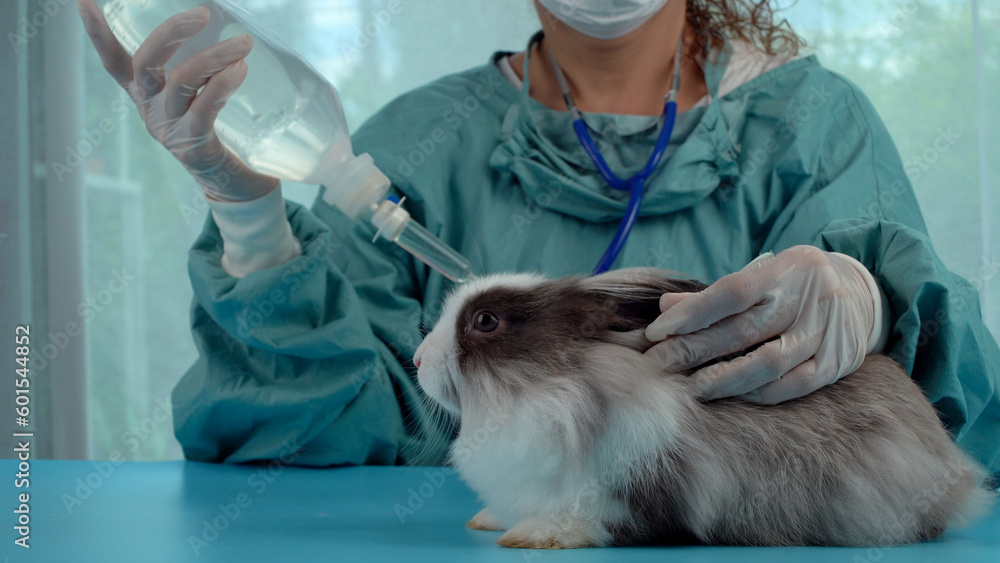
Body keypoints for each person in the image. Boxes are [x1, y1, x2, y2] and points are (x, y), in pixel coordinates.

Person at [79, 0, 1000, 474]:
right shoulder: (421, 144)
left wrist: (876, 306)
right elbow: (318, 439)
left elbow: (945, 441)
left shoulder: (812, 129)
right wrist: (247, 213)